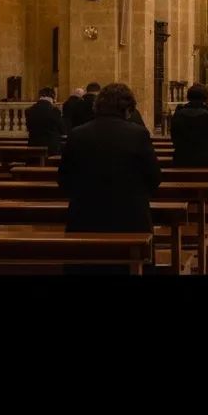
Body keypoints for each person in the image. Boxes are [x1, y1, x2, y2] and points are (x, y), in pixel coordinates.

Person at [58, 83, 162, 273]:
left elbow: (64, 180)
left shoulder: (77, 134)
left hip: (85, 219)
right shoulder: (138, 134)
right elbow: (154, 178)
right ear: (127, 108)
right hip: (130, 220)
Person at [170, 83, 208, 166]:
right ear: (205, 98)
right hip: (205, 160)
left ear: (188, 97)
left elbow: (174, 138)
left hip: (181, 160)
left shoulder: (179, 114)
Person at [26, 86, 66, 155]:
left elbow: (28, 127)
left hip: (33, 146)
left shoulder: (29, 110)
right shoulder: (54, 111)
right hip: (51, 148)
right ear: (52, 97)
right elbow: (62, 129)